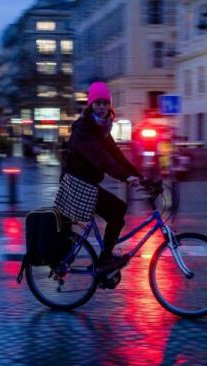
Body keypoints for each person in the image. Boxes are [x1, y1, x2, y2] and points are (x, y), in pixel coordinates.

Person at [64, 82, 142, 273]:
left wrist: (140, 176)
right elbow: (101, 159)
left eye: (105, 103)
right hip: (75, 184)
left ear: (109, 106)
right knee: (117, 209)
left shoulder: (102, 129)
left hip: (86, 183)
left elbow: (116, 156)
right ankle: (104, 260)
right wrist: (125, 177)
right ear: (90, 105)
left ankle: (104, 259)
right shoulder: (83, 129)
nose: (102, 107)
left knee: (117, 210)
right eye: (98, 103)